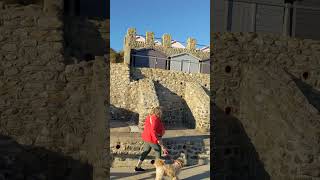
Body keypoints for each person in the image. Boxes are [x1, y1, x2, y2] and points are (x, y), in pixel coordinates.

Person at [135, 106, 169, 172]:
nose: (162, 114)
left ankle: (137, 167)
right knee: (158, 151)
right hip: (152, 138)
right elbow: (153, 131)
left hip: (147, 137)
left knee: (146, 151)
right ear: (159, 113)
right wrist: (159, 142)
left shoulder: (150, 117)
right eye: (161, 113)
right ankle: (158, 169)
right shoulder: (155, 119)